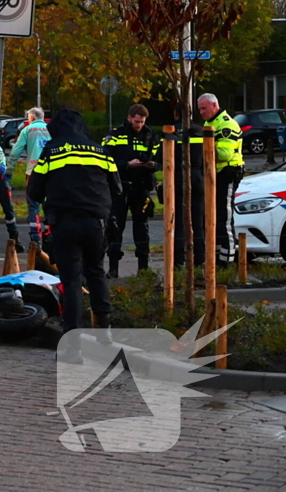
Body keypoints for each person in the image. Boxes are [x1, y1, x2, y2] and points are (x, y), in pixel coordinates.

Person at [27, 109, 122, 364]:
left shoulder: (52, 150)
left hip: (65, 223)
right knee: (96, 272)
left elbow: (34, 190)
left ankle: (72, 348)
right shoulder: (100, 150)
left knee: (71, 283)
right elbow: (117, 187)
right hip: (96, 224)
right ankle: (105, 334)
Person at [102, 104, 159, 278]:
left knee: (142, 227)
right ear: (129, 118)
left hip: (141, 187)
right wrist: (126, 165)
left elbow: (160, 159)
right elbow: (105, 160)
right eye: (136, 121)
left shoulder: (150, 135)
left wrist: (153, 165)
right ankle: (113, 269)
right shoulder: (115, 135)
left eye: (142, 122)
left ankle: (143, 268)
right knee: (115, 227)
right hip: (120, 187)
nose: (139, 125)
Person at [198, 93, 245, 268]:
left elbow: (224, 154)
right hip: (215, 174)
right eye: (200, 109)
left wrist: (202, 151)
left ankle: (227, 263)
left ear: (214, 106)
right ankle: (217, 260)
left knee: (224, 217)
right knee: (213, 217)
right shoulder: (209, 123)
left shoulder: (227, 124)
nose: (201, 112)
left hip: (228, 172)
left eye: (204, 108)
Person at [155, 112, 205, 268]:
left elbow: (159, 158)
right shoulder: (201, 131)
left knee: (177, 222)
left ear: (175, 114)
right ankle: (199, 260)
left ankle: (178, 261)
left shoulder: (170, 131)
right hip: (197, 178)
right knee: (198, 222)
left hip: (176, 179)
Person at [8, 107, 51, 246]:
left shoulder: (27, 130)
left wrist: (9, 168)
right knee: (50, 205)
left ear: (31, 118)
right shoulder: (52, 129)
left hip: (33, 173)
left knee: (33, 207)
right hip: (51, 173)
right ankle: (49, 235)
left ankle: (35, 238)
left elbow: (16, 150)